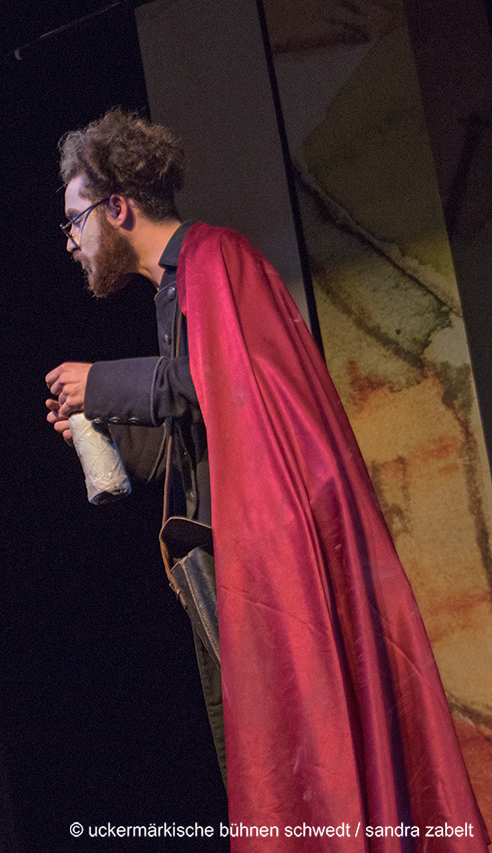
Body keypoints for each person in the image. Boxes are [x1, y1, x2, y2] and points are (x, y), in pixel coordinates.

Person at [46, 109, 488, 847]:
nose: (70, 240)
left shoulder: (216, 260)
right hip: (234, 572)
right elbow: (214, 426)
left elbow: (220, 377)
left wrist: (104, 384)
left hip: (279, 567)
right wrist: (113, 433)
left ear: (117, 207)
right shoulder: (175, 290)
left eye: (76, 219)